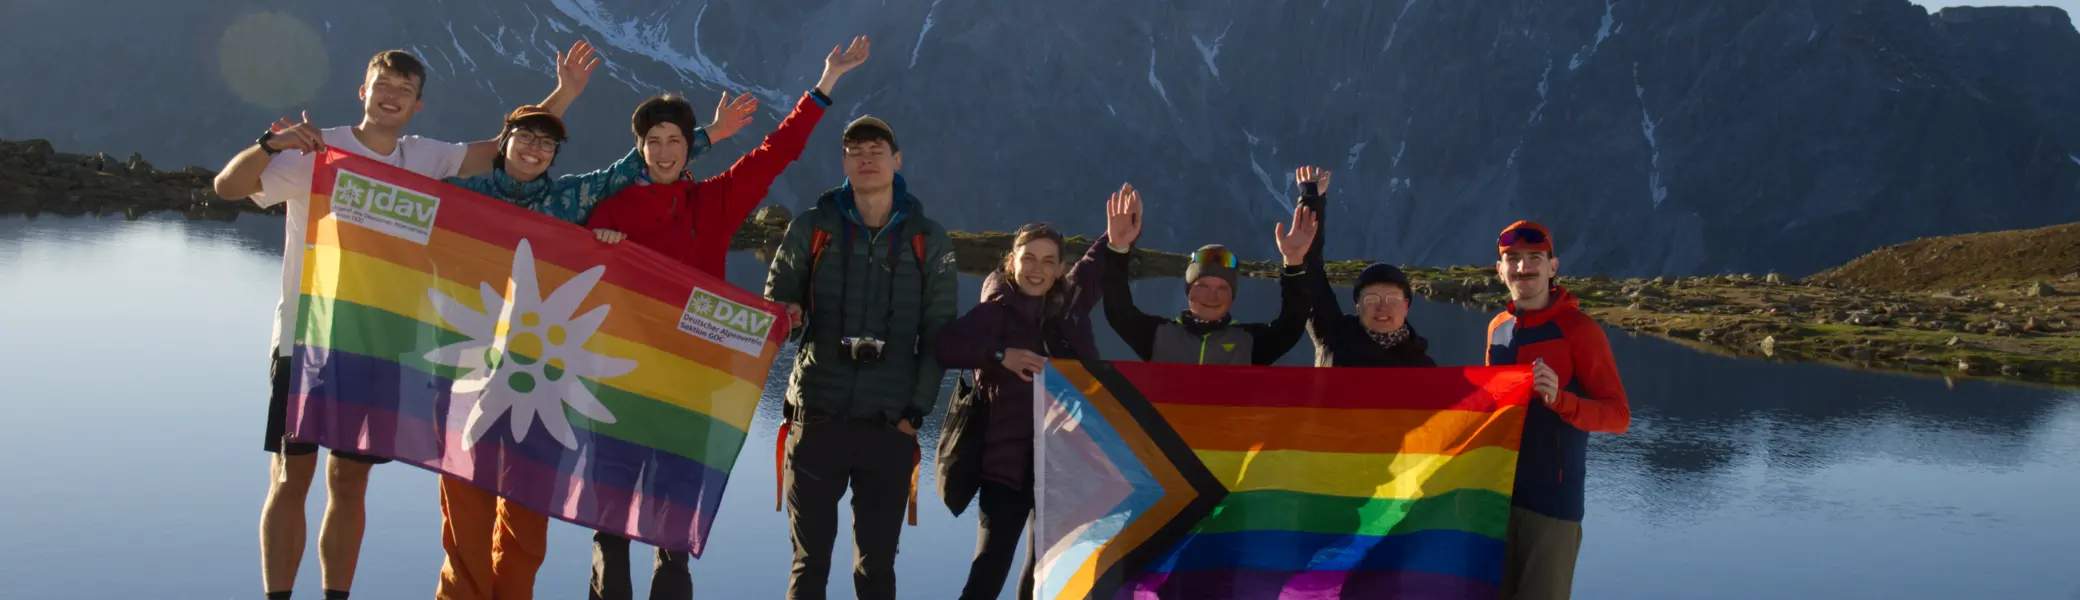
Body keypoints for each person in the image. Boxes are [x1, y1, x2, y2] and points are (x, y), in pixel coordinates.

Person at [212, 43, 596, 600]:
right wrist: (271, 145)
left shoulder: (425, 157)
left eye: (404, 91)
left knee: (349, 481)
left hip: (375, 346)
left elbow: (506, 150)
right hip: (305, 337)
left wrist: (565, 94)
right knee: (290, 477)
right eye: (383, 86)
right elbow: (228, 187)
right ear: (362, 92)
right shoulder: (322, 151)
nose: (392, 97)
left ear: (417, 106)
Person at [426, 69, 755, 600]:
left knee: (527, 523)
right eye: (525, 138)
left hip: (543, 379)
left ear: (555, 156)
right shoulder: (457, 197)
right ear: (502, 142)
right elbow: (397, 213)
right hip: (467, 369)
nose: (535, 150)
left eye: (547, 143)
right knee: (464, 508)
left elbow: (638, 165)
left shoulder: (570, 203)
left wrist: (710, 135)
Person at [581, 36, 871, 600]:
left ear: (689, 149)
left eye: (674, 142)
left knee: (673, 518)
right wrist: (598, 244)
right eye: (654, 142)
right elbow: (573, 272)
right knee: (611, 519)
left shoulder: (713, 202)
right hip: (617, 375)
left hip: (693, 377)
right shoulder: (612, 210)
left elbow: (776, 152)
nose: (665, 153)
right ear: (639, 149)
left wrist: (826, 82)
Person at [763, 114, 958, 600]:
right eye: (855, 150)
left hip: (888, 424)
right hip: (816, 415)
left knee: (876, 570)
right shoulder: (812, 226)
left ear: (897, 160)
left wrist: (915, 413)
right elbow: (775, 304)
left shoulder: (927, 239)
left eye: (876, 149)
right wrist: (787, 313)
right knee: (809, 565)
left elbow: (941, 334)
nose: (866, 158)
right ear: (844, 162)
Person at [933, 186, 1134, 599]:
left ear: (1061, 268)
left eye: (1047, 261)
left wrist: (1114, 242)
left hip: (1063, 465)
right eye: (1028, 259)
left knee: (1043, 574)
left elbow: (1095, 267)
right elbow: (943, 347)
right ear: (1012, 262)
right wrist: (1000, 355)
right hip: (1003, 468)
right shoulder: (995, 310)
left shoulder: (1070, 304)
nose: (1037, 269)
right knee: (988, 571)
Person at [1485, 220, 1632, 600]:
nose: (1523, 267)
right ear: (1499, 270)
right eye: (1512, 259)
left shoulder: (1579, 329)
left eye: (1535, 258)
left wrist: (1561, 400)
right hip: (1494, 502)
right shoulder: (1498, 329)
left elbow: (1618, 417)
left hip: (1553, 508)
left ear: (1553, 267)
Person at [1098, 184, 1319, 365]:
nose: (1211, 296)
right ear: (1188, 290)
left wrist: (1293, 262)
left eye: (1222, 288)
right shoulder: (1160, 336)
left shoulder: (1247, 342)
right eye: (1202, 286)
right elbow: (1118, 312)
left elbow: (1291, 326)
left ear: (1233, 297)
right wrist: (1117, 248)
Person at [1291, 166, 1435, 367]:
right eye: (1372, 298)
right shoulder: (1333, 336)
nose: (1382, 307)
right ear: (1358, 305)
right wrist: (1311, 199)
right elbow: (1310, 273)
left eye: (1392, 299)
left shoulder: (1422, 367)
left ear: (1406, 306)